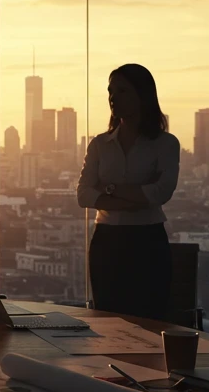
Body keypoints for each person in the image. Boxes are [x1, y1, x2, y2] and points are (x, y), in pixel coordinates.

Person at [76, 64, 180, 321]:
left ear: (142, 95)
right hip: (107, 241)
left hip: (148, 242)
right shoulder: (100, 144)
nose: (113, 98)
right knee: (107, 317)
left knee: (149, 318)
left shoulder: (166, 143)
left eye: (122, 91)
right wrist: (134, 197)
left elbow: (161, 192)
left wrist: (109, 190)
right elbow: (83, 194)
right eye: (111, 91)